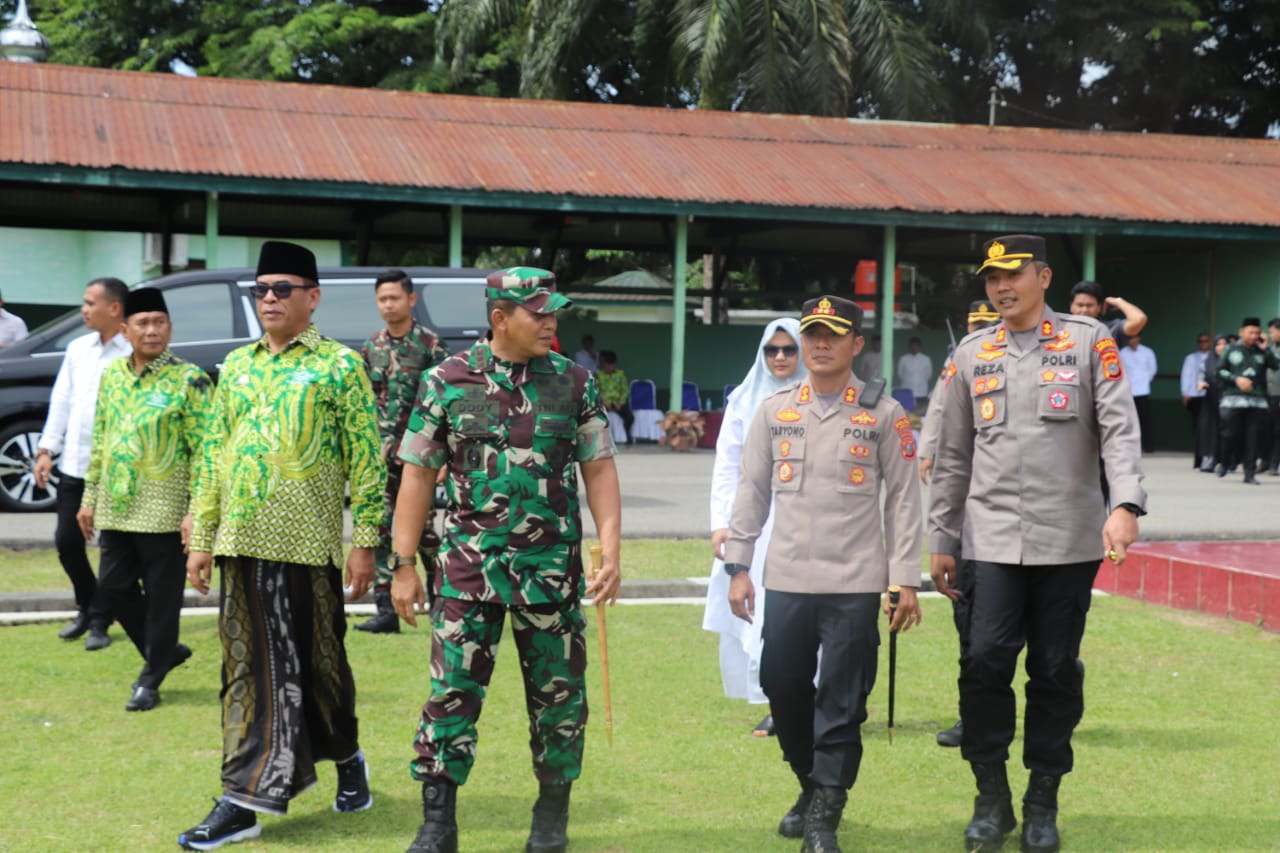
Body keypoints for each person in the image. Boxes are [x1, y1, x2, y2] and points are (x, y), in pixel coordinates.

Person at [389, 267, 622, 853]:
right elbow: (416, 474)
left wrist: (611, 547)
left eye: (553, 312)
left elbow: (598, 467)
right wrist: (404, 563)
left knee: (560, 703)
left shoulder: (575, 382)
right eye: (536, 313)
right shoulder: (447, 379)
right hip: (468, 574)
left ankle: (550, 817)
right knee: (450, 698)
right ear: (500, 318)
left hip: (550, 577)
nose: (549, 322)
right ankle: (438, 823)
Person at [930, 235, 1144, 853]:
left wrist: (1125, 503)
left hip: (1069, 538)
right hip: (989, 539)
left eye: (1012, 274)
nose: (1000, 287)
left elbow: (1119, 430)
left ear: (1043, 277)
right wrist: (942, 536)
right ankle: (990, 797)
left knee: (1053, 668)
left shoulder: (1087, 341)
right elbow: (952, 456)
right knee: (985, 660)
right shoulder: (973, 352)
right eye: (991, 278)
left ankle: (1042, 799)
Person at [180, 241, 384, 850]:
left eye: (282, 289)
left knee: (321, 666)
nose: (269, 298)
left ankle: (347, 759)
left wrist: (366, 541)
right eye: (261, 289)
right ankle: (243, 799)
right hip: (242, 543)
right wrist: (201, 531)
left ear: (312, 298)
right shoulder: (236, 367)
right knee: (251, 671)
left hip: (306, 545)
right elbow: (214, 452)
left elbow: (367, 462)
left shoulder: (340, 367)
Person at [724, 295, 922, 853]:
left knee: (842, 701)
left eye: (833, 334)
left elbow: (904, 502)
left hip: (855, 583)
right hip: (786, 577)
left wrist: (905, 578)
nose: (820, 344)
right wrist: (739, 567)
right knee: (780, 685)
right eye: (812, 333)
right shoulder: (776, 410)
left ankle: (824, 817)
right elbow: (752, 492)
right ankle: (809, 785)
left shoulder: (885, 414)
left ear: (856, 344)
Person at [75, 288, 211, 711]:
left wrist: (197, 512)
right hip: (117, 508)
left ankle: (150, 679)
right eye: (143, 323)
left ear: (169, 328)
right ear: (124, 330)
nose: (152, 331)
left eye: (159, 322)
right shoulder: (113, 375)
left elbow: (207, 450)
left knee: (162, 599)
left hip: (167, 514)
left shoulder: (192, 380)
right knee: (112, 589)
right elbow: (102, 439)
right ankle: (164, 652)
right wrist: (89, 497)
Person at [703, 318, 808, 738]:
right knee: (757, 615)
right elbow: (726, 468)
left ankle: (813, 698)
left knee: (802, 614)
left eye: (789, 349)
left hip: (802, 524)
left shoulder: (816, 397)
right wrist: (720, 526)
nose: (780, 357)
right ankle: (774, 702)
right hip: (752, 528)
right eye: (772, 350)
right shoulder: (743, 401)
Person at [918, 299, 1000, 750]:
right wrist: (928, 450)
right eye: (974, 326)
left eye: (987, 326)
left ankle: (1065, 669)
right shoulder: (958, 366)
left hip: (1014, 519)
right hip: (968, 518)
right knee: (969, 620)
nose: (979, 334)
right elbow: (938, 412)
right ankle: (973, 718)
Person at [34, 276, 132, 650]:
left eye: (91, 303)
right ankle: (88, 604)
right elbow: (62, 401)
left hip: (114, 470)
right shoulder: (77, 349)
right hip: (75, 465)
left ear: (114, 308)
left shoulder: (131, 352)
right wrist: (46, 450)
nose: (84, 310)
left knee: (112, 549)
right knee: (66, 541)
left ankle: (100, 620)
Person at [355, 269, 449, 635]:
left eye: (394, 297)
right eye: (382, 299)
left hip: (418, 457)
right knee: (379, 528)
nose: (388, 305)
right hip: (380, 457)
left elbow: (446, 407)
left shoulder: (431, 346)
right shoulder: (371, 347)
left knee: (423, 533)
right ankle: (385, 609)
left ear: (411, 300)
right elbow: (363, 404)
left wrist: (442, 457)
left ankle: (442, 602)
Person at [1215, 317, 1280, 485]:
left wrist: (1266, 349)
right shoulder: (1230, 349)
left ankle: (1249, 473)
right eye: (1250, 332)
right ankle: (1225, 461)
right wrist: (1236, 379)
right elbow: (1219, 370)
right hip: (1233, 399)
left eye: (1257, 333)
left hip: (1257, 401)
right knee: (1230, 434)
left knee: (1253, 437)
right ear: (1241, 332)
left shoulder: (1262, 352)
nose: (1253, 336)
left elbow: (1276, 365)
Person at [1067, 280, 1147, 348]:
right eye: (1080, 305)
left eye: (1090, 305)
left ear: (1099, 307)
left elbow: (1139, 319)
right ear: (1071, 306)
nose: (1084, 310)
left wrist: (1118, 301)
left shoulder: (1110, 329)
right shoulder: (1060, 328)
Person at [1196, 335, 1230, 472]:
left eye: (1224, 344)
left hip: (1229, 399)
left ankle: (1227, 460)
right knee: (1208, 430)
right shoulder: (1207, 361)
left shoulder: (1233, 362)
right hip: (1211, 400)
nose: (1221, 347)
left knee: (1228, 431)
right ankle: (1209, 458)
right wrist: (1201, 383)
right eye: (1218, 344)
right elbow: (1201, 376)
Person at [1119, 334, 1158, 453]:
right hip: (1128, 390)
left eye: (1134, 338)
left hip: (1143, 390)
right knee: (1128, 420)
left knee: (1145, 419)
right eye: (1130, 338)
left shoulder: (1147, 352)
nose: (1132, 340)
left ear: (1139, 338)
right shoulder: (1122, 352)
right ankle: (1129, 447)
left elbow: (1152, 369)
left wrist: (1145, 381)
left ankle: (1147, 446)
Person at [1179, 333, 1211, 469]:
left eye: (1205, 341)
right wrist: (1185, 393)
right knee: (1198, 427)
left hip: (1210, 396)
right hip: (1195, 396)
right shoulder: (1191, 358)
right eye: (1200, 341)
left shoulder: (1214, 357)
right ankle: (1199, 458)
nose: (1203, 343)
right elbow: (1186, 375)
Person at [595, 349, 634, 446]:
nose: (610, 367)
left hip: (617, 403)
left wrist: (620, 402)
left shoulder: (620, 374)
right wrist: (604, 401)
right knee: (596, 417)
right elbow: (596, 390)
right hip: (604, 403)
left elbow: (625, 390)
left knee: (630, 417)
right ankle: (601, 440)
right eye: (608, 365)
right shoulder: (599, 375)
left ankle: (628, 436)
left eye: (612, 365)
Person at [896, 335, 933, 409]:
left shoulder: (926, 359)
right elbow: (900, 374)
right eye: (912, 346)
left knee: (920, 414)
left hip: (921, 392)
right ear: (909, 347)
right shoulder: (903, 359)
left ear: (919, 347)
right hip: (907, 392)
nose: (914, 348)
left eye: (916, 346)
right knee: (906, 414)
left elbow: (929, 375)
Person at [1267, 319, 1280, 475]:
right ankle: (1266, 461)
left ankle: (1274, 463)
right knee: (1267, 429)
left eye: (1272, 332)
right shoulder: (1269, 348)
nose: (1270, 335)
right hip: (1269, 394)